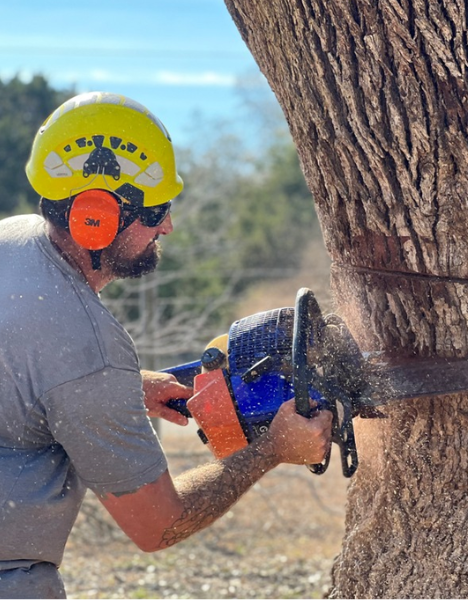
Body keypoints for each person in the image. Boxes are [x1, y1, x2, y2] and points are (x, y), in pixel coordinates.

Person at [0, 92, 333, 599]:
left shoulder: (13, 242)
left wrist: (124, 388)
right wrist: (271, 449)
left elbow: (24, 367)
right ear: (96, 217)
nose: (167, 226)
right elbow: (159, 526)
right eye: (156, 212)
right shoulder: (87, 351)